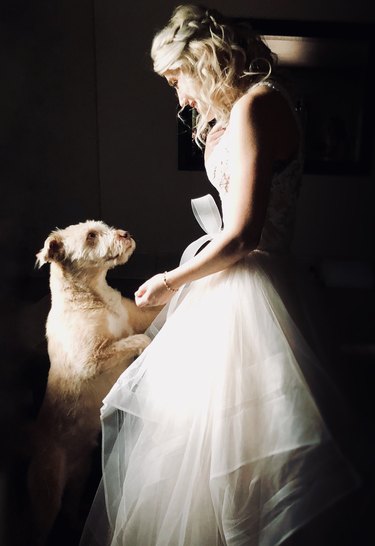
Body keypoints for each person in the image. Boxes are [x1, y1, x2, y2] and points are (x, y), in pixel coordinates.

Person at [80, 5, 359, 545]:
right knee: (195, 448)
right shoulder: (233, 115)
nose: (180, 98)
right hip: (224, 289)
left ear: (204, 60)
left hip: (253, 292)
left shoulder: (260, 107)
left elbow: (244, 236)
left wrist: (171, 279)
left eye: (177, 79)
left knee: (245, 454)